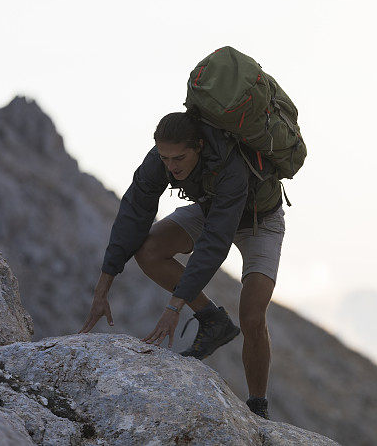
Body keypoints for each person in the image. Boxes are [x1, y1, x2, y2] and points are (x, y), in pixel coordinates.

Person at [78, 108, 284, 419]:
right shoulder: (161, 158)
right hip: (210, 210)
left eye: (179, 159)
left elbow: (213, 246)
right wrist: (102, 288)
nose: (171, 167)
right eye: (165, 159)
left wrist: (173, 307)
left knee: (252, 315)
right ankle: (212, 319)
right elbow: (133, 213)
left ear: (198, 147)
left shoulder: (230, 167)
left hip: (260, 222)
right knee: (149, 249)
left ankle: (257, 406)